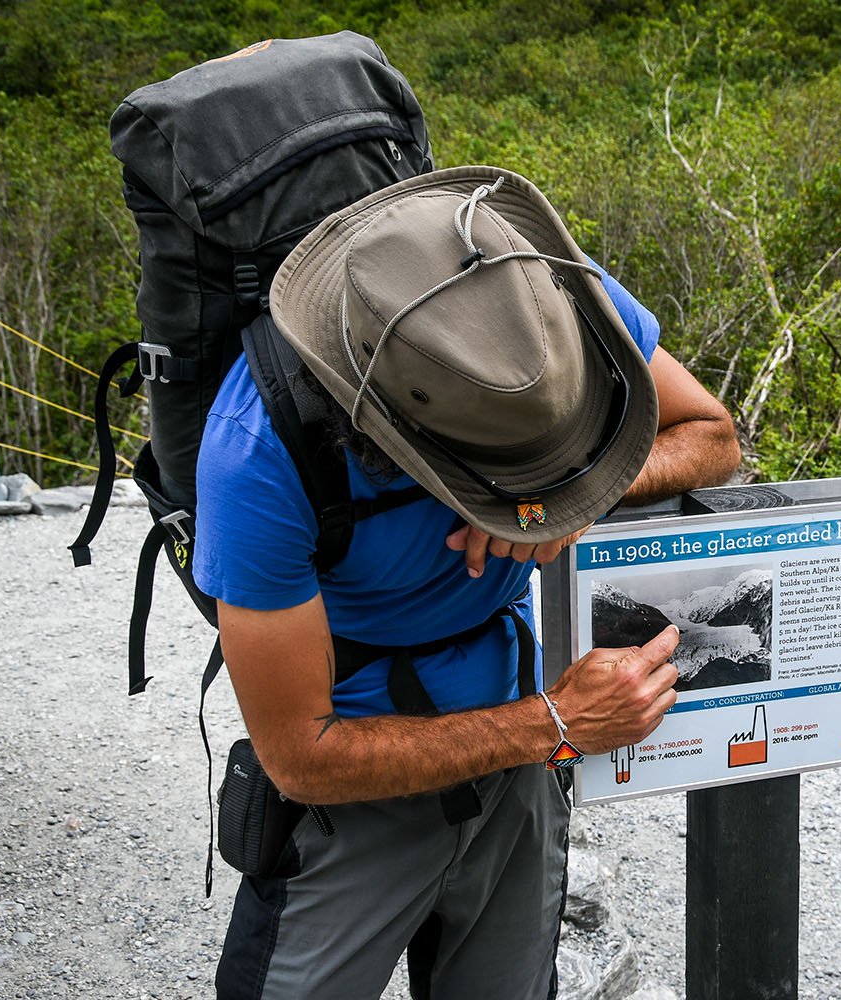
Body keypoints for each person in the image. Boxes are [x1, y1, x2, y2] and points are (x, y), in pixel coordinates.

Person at [192, 165, 741, 999]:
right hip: (354, 788)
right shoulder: (260, 449)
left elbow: (711, 436)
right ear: (397, 431)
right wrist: (556, 721)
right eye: (488, 466)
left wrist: (555, 496)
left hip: (518, 767)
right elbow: (301, 758)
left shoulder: (542, 311)